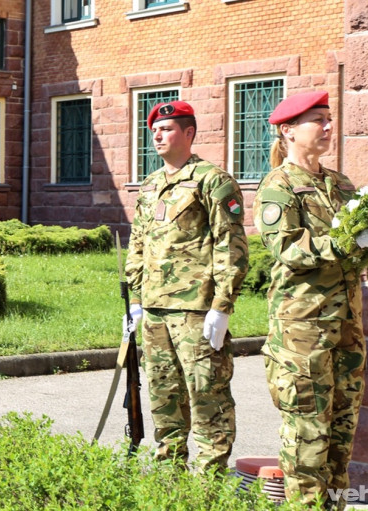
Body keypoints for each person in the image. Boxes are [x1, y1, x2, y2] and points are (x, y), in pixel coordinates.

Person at [253, 90, 368, 507]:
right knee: (307, 443)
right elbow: (290, 250)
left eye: (330, 118)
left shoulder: (338, 183)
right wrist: (351, 239)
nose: (330, 126)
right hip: (302, 334)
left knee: (340, 437)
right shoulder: (278, 187)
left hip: (345, 329)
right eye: (319, 119)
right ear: (288, 131)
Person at [124, 101, 248, 472]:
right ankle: (169, 482)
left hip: (197, 312)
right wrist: (136, 299)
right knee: (165, 402)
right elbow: (138, 243)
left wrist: (222, 306)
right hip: (155, 312)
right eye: (155, 131)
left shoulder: (213, 180)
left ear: (189, 133)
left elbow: (232, 246)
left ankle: (208, 487)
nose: (158, 136)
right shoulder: (151, 185)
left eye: (167, 129)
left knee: (208, 398)